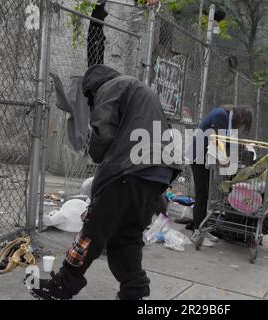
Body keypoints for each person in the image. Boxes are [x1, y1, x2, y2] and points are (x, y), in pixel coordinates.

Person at [26, 65, 179, 300]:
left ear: (93, 89)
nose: (90, 105)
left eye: (89, 99)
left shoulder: (111, 87)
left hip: (130, 170)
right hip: (157, 174)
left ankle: (61, 288)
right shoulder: (138, 90)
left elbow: (103, 136)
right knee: (125, 236)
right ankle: (134, 292)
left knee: (92, 232)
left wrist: (93, 148)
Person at [187, 105, 253, 247]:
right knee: (202, 193)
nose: (241, 126)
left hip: (206, 159)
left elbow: (228, 143)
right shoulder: (221, 116)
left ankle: (201, 227)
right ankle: (197, 231)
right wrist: (224, 159)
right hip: (198, 157)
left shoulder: (228, 120)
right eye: (243, 123)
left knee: (206, 194)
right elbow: (217, 140)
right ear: (240, 117)